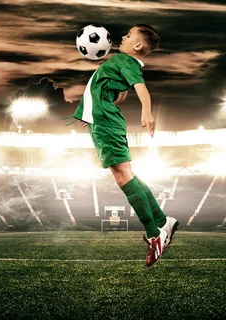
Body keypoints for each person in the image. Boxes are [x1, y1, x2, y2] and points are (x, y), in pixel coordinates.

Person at [70, 24, 178, 267]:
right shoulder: (123, 64)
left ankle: (154, 234)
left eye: (128, 35)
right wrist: (94, 109)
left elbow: (141, 88)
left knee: (123, 177)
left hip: (106, 121)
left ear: (137, 46)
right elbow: (119, 93)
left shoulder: (126, 61)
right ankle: (162, 221)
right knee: (127, 175)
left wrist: (147, 112)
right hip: (102, 119)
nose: (122, 37)